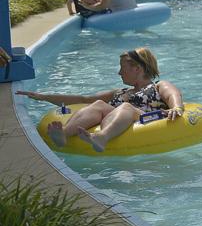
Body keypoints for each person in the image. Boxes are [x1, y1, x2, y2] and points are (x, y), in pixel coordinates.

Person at [17, 48, 185, 152]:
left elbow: (173, 95)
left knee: (126, 107)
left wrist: (176, 107)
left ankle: (102, 137)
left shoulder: (157, 86)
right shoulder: (120, 92)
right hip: (116, 119)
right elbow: (83, 99)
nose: (119, 73)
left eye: (122, 68)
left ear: (138, 68)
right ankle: (64, 134)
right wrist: (44, 97)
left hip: (146, 119)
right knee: (97, 104)